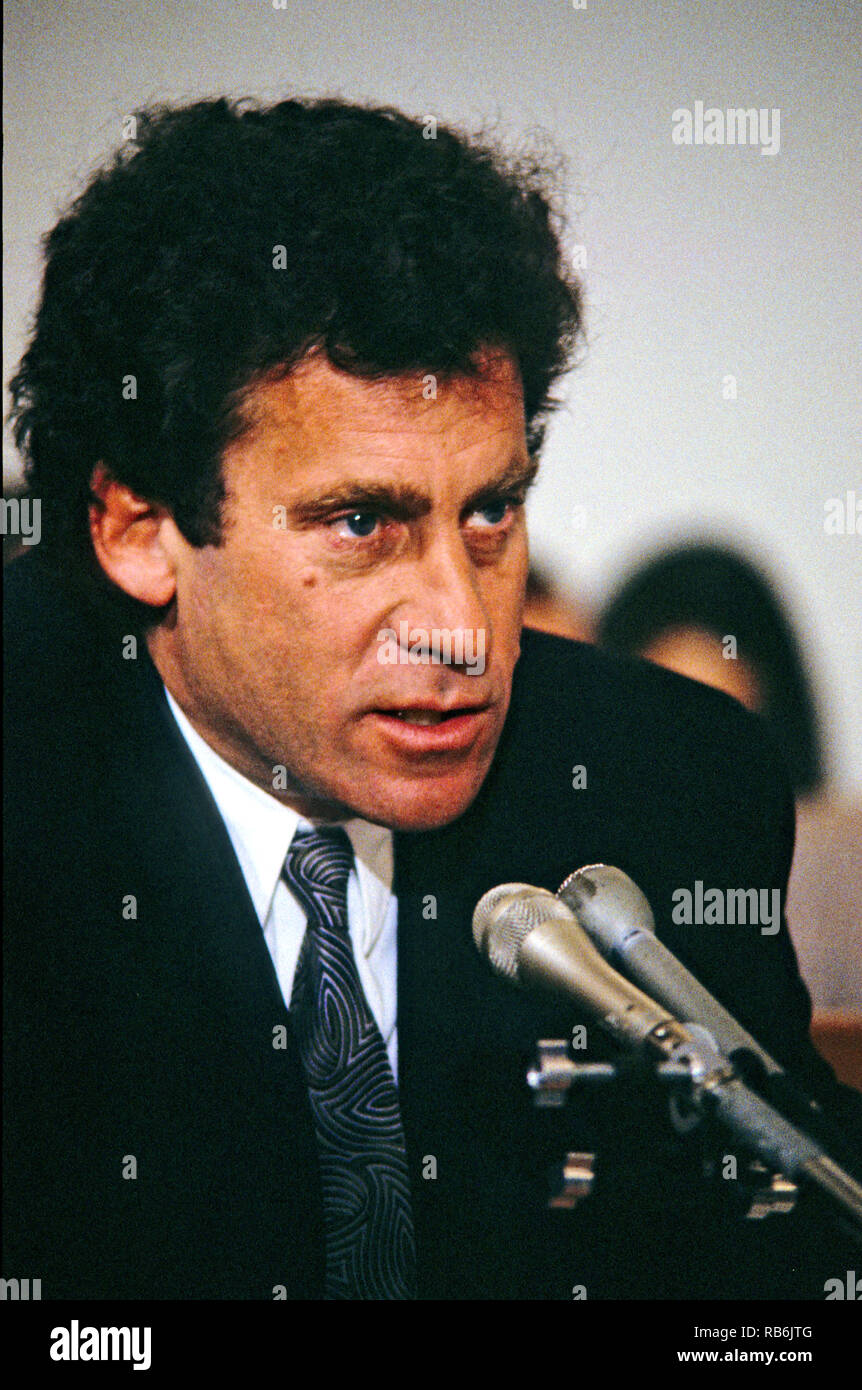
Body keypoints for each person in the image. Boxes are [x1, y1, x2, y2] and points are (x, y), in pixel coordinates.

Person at [4, 97, 860, 1302]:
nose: (463, 629)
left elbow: (772, 1260)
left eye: (490, 513)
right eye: (362, 523)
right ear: (140, 529)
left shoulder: (665, 782)